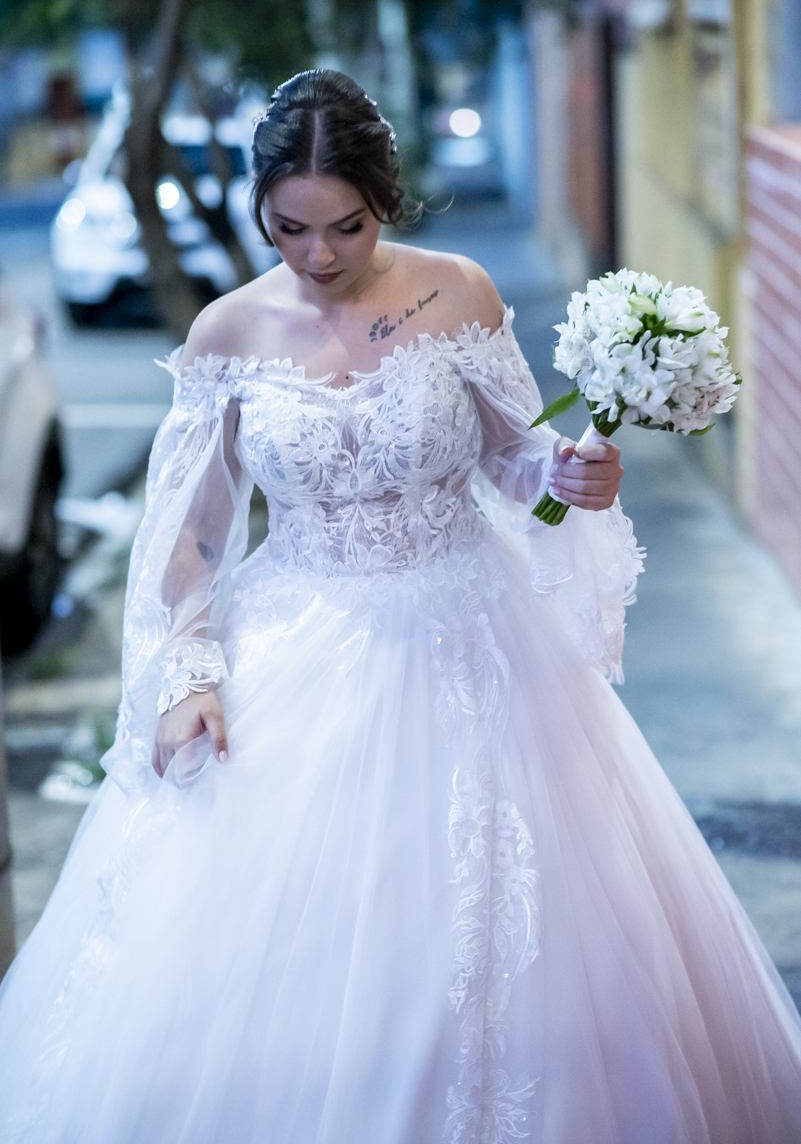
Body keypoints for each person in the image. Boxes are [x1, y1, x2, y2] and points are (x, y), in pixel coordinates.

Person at [0, 70, 799, 1144]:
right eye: (289, 229)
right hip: (297, 647)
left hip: (477, 638)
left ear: (387, 201)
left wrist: (570, 477)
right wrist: (186, 677)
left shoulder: (458, 292)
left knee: (510, 930)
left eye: (347, 227)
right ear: (260, 211)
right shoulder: (226, 336)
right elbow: (187, 542)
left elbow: (518, 459)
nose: (319, 256)